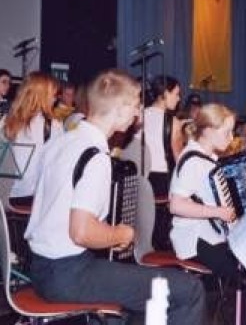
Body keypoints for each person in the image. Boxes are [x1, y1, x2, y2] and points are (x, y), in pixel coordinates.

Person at [24, 68, 205, 325]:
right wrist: (122, 234)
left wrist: (109, 235)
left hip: (40, 268)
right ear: (119, 110)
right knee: (189, 290)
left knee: (131, 296)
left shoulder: (61, 142)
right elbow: (81, 232)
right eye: (135, 105)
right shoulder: (96, 157)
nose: (138, 113)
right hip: (68, 274)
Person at [169, 103, 246, 324]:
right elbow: (176, 205)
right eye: (227, 132)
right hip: (195, 240)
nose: (231, 138)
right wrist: (218, 212)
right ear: (208, 131)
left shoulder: (208, 157)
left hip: (213, 236)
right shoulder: (193, 161)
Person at [4, 71, 63, 204]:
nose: (55, 99)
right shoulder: (52, 125)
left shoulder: (6, 120)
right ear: (42, 96)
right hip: (32, 196)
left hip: (6, 194)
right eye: (53, 94)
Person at [142, 75, 183, 250]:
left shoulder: (139, 116)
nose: (179, 99)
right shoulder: (173, 122)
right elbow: (179, 159)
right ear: (165, 94)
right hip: (162, 181)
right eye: (176, 94)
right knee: (160, 230)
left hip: (140, 178)